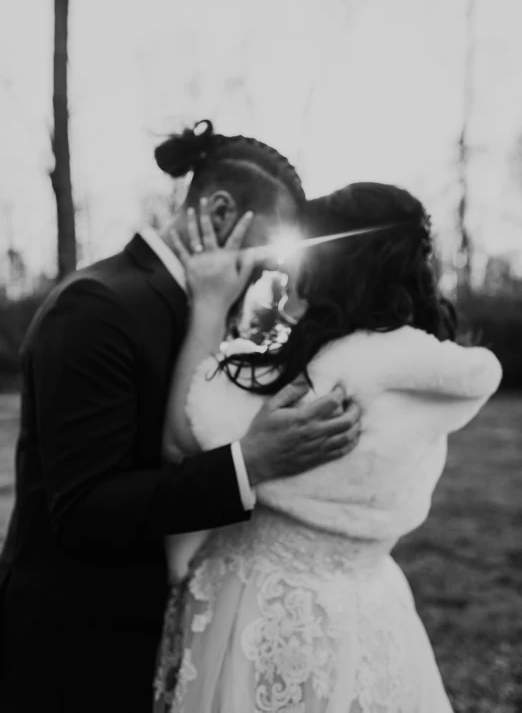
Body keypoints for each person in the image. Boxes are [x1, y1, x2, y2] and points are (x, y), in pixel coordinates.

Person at [0, 121, 361, 713]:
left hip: (160, 636)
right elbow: (84, 508)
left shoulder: (204, 311)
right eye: (265, 248)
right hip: (72, 649)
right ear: (220, 212)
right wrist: (249, 464)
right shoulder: (97, 307)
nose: (270, 270)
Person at [154, 181, 502, 713]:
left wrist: (208, 305)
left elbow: (186, 432)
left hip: (261, 611)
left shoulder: (317, 377)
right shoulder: (427, 374)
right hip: (369, 610)